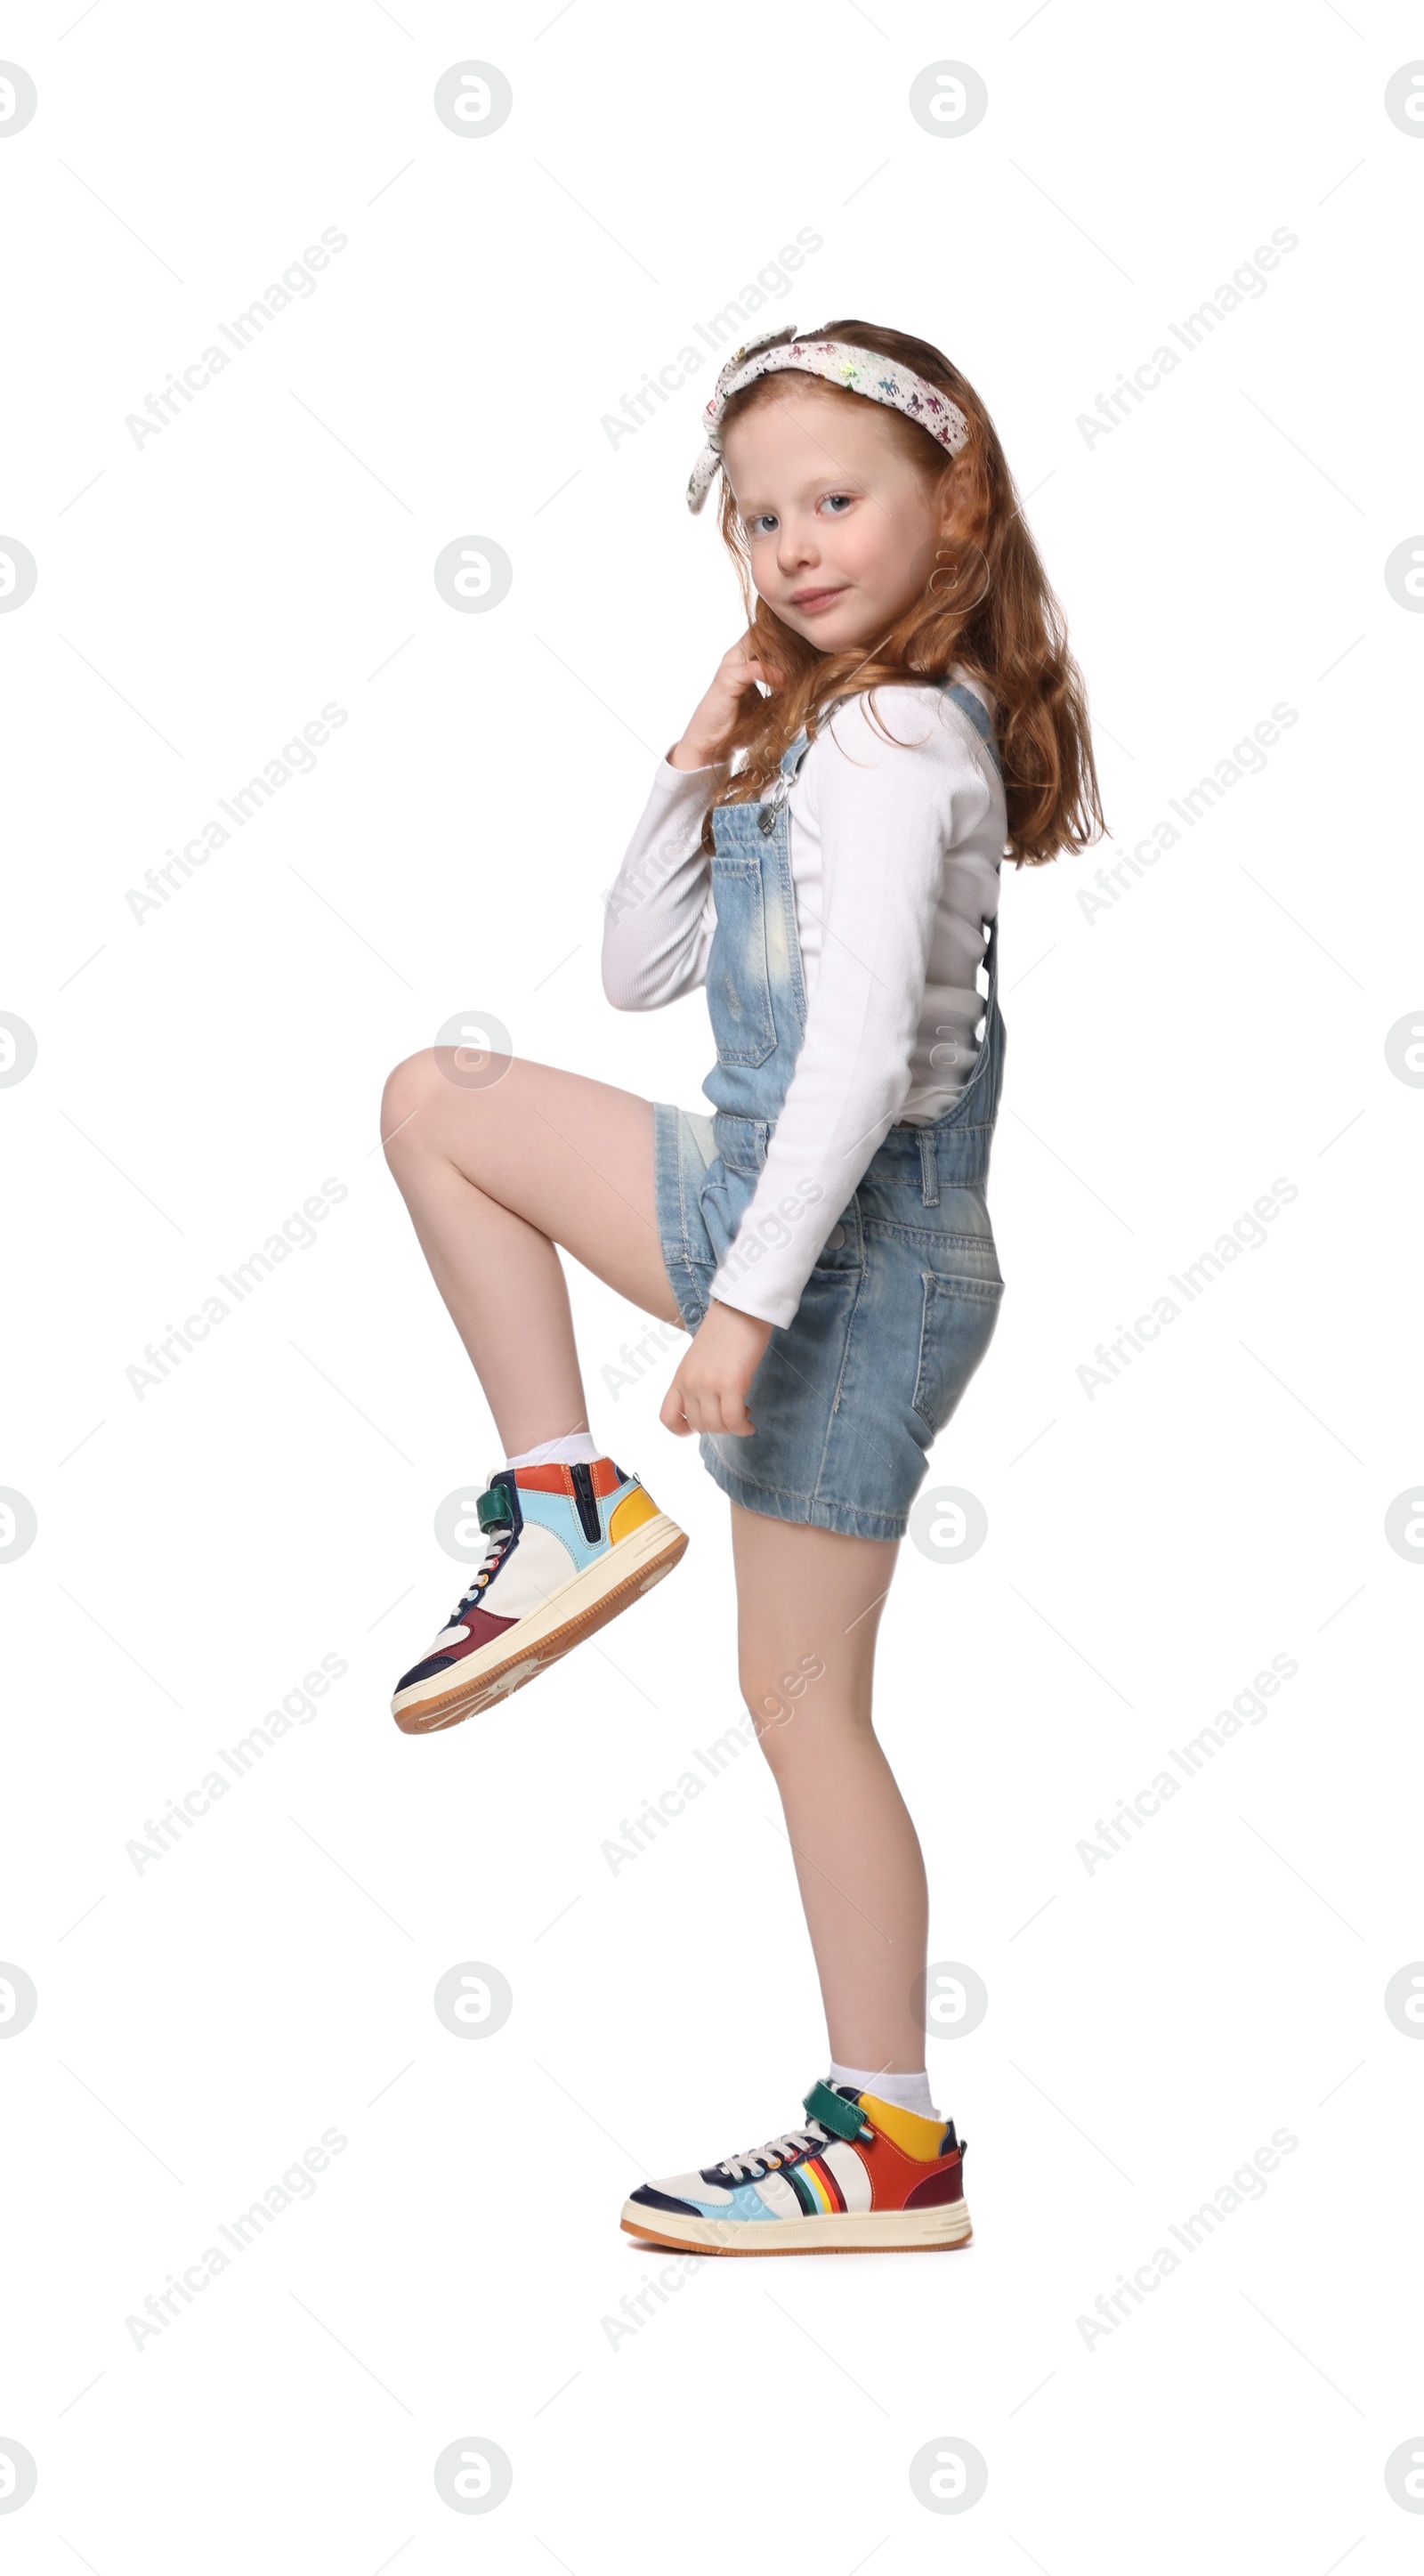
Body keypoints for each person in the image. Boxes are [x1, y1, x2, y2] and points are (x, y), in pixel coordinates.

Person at [380, 320, 1102, 2252]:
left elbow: (862, 1060)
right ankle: (565, 1502)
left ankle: (888, 2139)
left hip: (837, 1259)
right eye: (757, 516)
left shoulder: (886, 739)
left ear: (951, 508)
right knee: (446, 1105)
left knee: (802, 1705)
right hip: (792, 1210)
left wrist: (741, 1317)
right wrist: (691, 760)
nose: (788, 545)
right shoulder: (835, 729)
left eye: (833, 501)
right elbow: (634, 970)